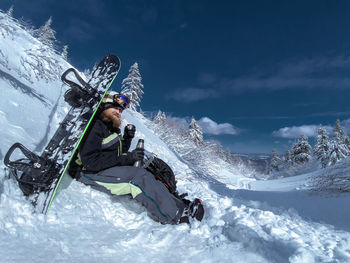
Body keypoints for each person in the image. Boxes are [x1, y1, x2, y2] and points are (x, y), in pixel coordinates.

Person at [75, 91, 204, 224]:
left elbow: (117, 153)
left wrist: (127, 138)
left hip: (104, 168)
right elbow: (90, 162)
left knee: (149, 171)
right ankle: (175, 216)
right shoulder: (94, 126)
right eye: (116, 108)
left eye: (120, 110)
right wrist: (128, 158)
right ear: (104, 106)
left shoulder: (110, 128)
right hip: (90, 173)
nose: (119, 113)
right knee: (138, 177)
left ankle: (181, 205)